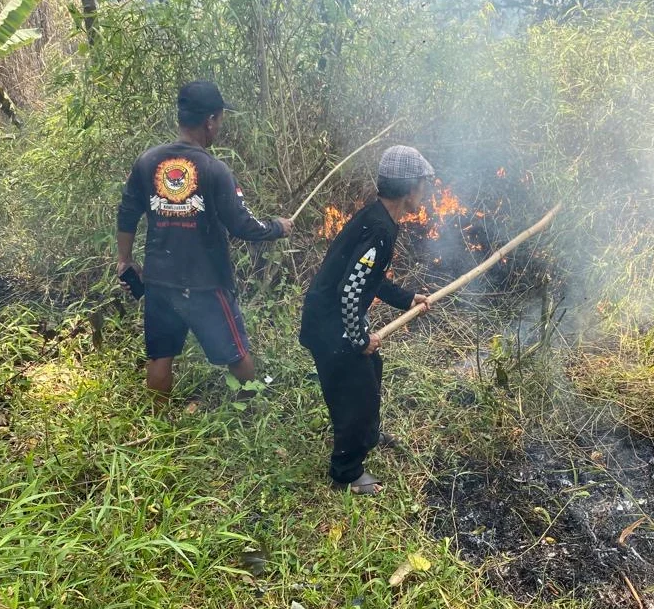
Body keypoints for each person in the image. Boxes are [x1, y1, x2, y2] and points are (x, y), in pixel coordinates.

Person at [116, 80, 293, 403]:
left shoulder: (147, 161)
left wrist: (124, 261)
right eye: (220, 120)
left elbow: (127, 214)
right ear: (210, 120)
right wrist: (277, 227)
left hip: (159, 279)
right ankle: (249, 414)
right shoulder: (214, 170)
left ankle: (159, 427)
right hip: (206, 283)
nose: (219, 127)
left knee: (161, 357)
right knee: (237, 354)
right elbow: (242, 224)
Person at [299, 145, 434, 496]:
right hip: (330, 325)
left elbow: (368, 280)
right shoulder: (378, 230)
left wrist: (407, 299)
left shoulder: (378, 219)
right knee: (355, 394)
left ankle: (367, 436)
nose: (425, 192)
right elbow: (349, 291)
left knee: (372, 371)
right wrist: (359, 338)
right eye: (422, 185)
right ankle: (346, 471)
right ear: (408, 190)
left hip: (333, 318)